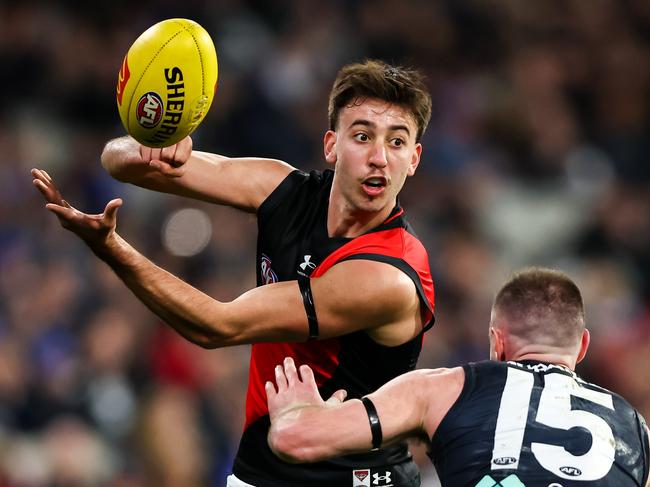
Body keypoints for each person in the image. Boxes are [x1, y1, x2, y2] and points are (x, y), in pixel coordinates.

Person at [32, 59, 435, 487]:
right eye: (362, 136)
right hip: (260, 473)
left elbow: (216, 326)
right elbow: (118, 160)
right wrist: (161, 144)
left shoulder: (388, 276)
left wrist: (109, 247)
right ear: (332, 146)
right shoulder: (284, 188)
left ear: (413, 158)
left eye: (396, 143)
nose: (378, 158)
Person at [266, 267, 650, 487]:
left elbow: (295, 440)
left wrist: (297, 410)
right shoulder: (635, 427)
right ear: (582, 347)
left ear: (497, 343)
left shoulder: (441, 388)